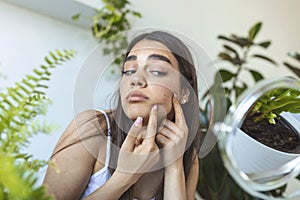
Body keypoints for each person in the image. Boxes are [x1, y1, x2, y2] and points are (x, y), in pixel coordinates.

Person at [43, 30, 202, 200]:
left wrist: (174, 166)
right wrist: (124, 177)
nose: (136, 80)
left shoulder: (187, 157)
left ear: (185, 92)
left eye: (156, 71)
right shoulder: (92, 129)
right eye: (129, 70)